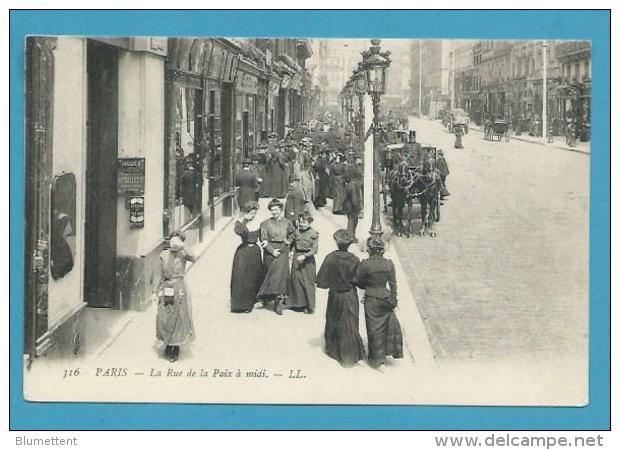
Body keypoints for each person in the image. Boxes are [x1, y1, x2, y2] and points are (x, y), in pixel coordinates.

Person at [317, 230, 366, 367]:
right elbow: (360, 282)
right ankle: (350, 355)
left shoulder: (330, 258)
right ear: (350, 243)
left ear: (336, 242)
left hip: (335, 294)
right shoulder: (355, 259)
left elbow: (322, 281)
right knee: (350, 322)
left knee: (334, 320)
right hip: (350, 295)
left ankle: (334, 350)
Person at [354, 236, 403, 369]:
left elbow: (358, 281)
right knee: (386, 327)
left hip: (371, 299)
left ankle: (377, 359)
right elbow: (393, 284)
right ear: (382, 250)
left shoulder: (365, 264)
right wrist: (393, 299)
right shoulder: (389, 264)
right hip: (385, 299)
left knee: (373, 329)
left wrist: (367, 287)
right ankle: (387, 353)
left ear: (370, 250)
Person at [154, 230, 197, 363]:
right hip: (166, 287)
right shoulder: (164, 254)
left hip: (179, 288)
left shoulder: (183, 254)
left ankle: (176, 347)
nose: (173, 243)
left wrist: (183, 246)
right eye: (172, 240)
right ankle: (168, 344)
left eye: (176, 240)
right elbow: (160, 274)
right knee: (165, 316)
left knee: (178, 317)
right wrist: (156, 291)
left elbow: (194, 258)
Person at [257, 199, 295, 315]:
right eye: (272, 210)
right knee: (269, 274)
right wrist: (272, 251)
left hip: (283, 250)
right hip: (270, 251)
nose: (274, 212)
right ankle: (266, 297)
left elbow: (293, 234)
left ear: (281, 210)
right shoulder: (265, 223)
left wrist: (288, 242)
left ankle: (278, 303)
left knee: (281, 277)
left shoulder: (288, 222)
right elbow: (263, 239)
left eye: (276, 209)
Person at [230, 201, 264, 313]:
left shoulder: (259, 223)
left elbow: (263, 236)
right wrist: (245, 219)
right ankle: (240, 304)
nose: (253, 215)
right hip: (243, 253)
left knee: (253, 277)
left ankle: (252, 301)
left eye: (254, 213)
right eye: (251, 212)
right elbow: (240, 231)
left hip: (255, 252)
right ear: (246, 212)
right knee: (240, 277)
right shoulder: (240, 223)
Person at [287, 212, 319, 314]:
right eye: (300, 222)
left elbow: (314, 249)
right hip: (297, 257)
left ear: (310, 222)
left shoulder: (314, 233)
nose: (302, 224)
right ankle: (297, 304)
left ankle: (309, 306)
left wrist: (305, 256)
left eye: (304, 223)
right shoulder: (297, 231)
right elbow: (294, 244)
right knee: (296, 280)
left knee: (307, 282)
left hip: (308, 260)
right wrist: (292, 251)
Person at [343, 172, 362, 242]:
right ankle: (351, 237)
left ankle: (351, 236)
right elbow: (354, 200)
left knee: (351, 221)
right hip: (352, 207)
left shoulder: (348, 185)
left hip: (348, 206)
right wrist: (357, 206)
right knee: (353, 222)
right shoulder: (353, 186)